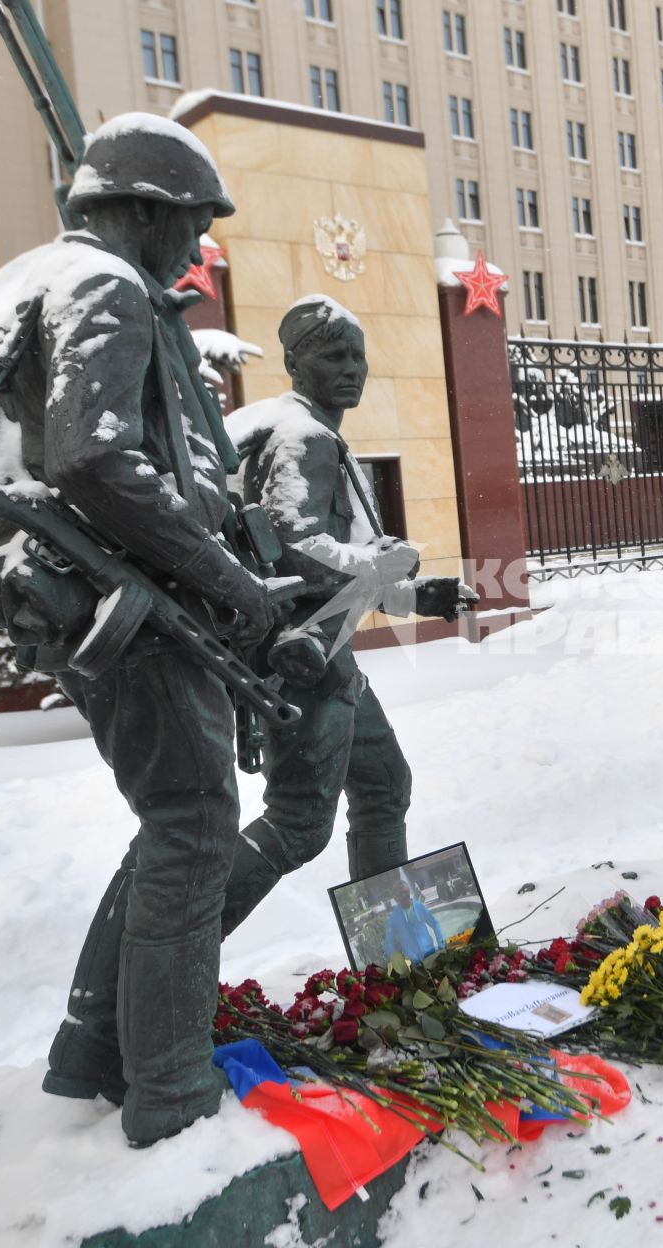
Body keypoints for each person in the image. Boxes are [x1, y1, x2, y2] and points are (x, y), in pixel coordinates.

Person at [0, 113, 272, 1145]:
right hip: (117, 600)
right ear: (141, 212)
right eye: (190, 227)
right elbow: (94, 459)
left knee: (173, 817)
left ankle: (93, 1049)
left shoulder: (20, 281)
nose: (194, 251)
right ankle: (167, 1097)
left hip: (70, 595)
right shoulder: (105, 285)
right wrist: (231, 579)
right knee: (194, 823)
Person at [221, 295, 476, 929]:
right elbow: (302, 551)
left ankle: (395, 951)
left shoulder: (306, 433)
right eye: (333, 355)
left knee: (384, 784)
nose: (352, 368)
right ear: (293, 363)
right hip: (299, 661)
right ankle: (177, 945)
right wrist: (392, 562)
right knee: (299, 824)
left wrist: (418, 596)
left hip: (325, 656)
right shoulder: (303, 437)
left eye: (357, 354)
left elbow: (350, 570)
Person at [382, 880, 447, 963]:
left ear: (409, 891)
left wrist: (441, 943)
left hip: (430, 953)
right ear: (396, 898)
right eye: (400, 894)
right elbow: (388, 941)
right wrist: (397, 961)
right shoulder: (393, 917)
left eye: (405, 892)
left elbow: (435, 923)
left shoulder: (420, 907)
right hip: (413, 961)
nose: (404, 895)